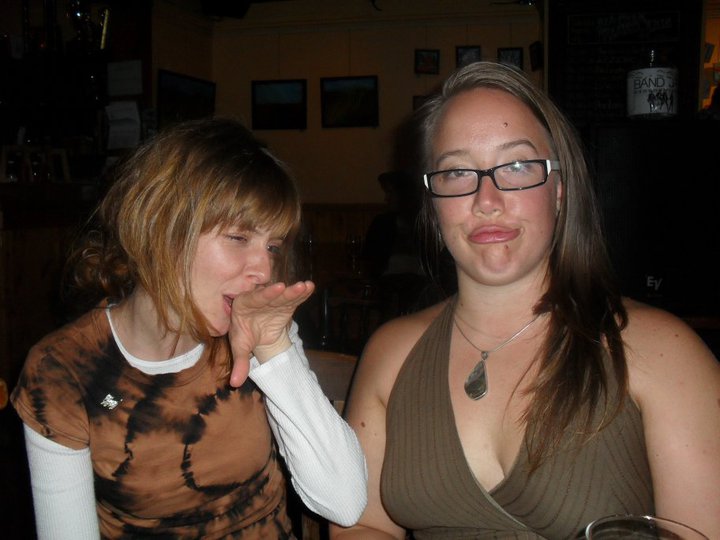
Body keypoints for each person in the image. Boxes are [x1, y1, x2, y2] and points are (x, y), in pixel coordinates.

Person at [331, 62, 720, 539]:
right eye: (457, 172)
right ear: (432, 203)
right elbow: (363, 526)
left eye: (517, 167)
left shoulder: (665, 351)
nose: (487, 200)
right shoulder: (390, 353)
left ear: (559, 190)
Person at [11, 117, 367, 539]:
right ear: (161, 227)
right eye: (238, 238)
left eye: (272, 246)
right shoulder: (64, 369)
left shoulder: (258, 333)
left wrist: (274, 349)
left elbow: (344, 504)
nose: (264, 270)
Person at [360, 170, 429, 317]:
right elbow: (369, 257)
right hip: (387, 285)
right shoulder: (382, 223)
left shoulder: (424, 222)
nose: (386, 198)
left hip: (419, 287)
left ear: (405, 195)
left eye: (390, 193)